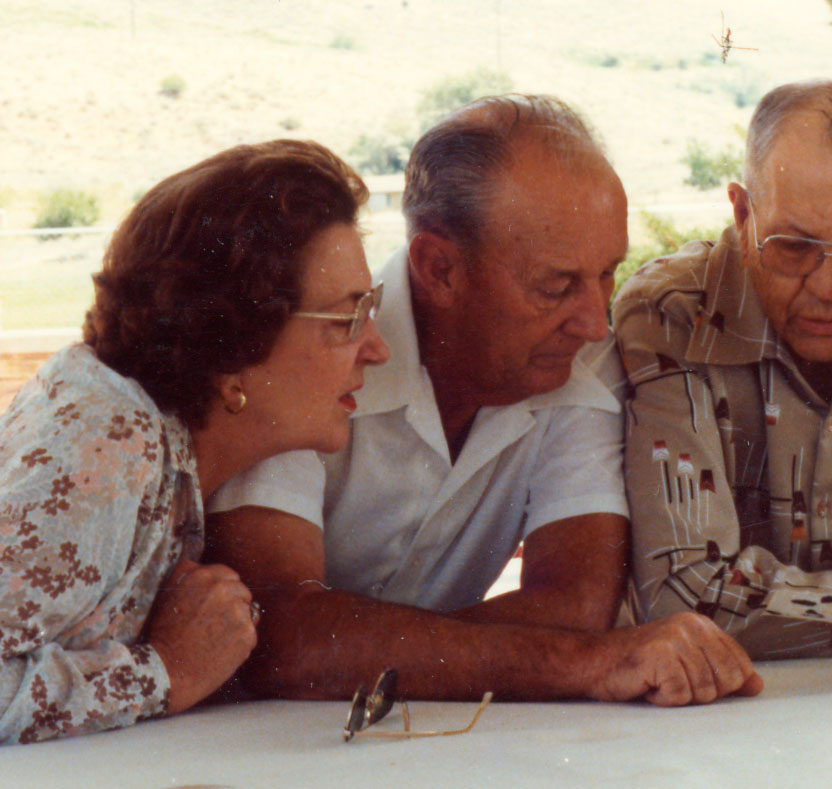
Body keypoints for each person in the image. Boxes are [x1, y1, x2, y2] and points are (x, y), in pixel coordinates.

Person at [207, 95, 762, 707]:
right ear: (440, 269)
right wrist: (578, 664)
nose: (594, 323)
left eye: (607, 274)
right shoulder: (308, 353)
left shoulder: (574, 365)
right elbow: (278, 634)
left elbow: (575, 609)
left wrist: (358, 650)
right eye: (556, 286)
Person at [0, 139, 388, 744]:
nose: (378, 347)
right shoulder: (108, 444)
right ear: (232, 346)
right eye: (348, 318)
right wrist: (164, 674)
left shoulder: (156, 445)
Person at [614, 79, 832, 669]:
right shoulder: (673, 314)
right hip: (704, 727)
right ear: (743, 214)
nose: (831, 289)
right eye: (794, 246)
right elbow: (684, 595)